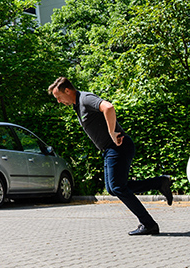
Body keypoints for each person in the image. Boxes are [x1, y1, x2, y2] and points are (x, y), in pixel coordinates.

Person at [48, 77, 173, 235]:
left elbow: (108, 107)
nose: (58, 101)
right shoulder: (77, 106)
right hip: (109, 149)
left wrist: (112, 132)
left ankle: (148, 224)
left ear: (67, 90)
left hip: (118, 146)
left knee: (117, 187)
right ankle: (159, 182)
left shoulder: (85, 99)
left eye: (58, 97)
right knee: (114, 188)